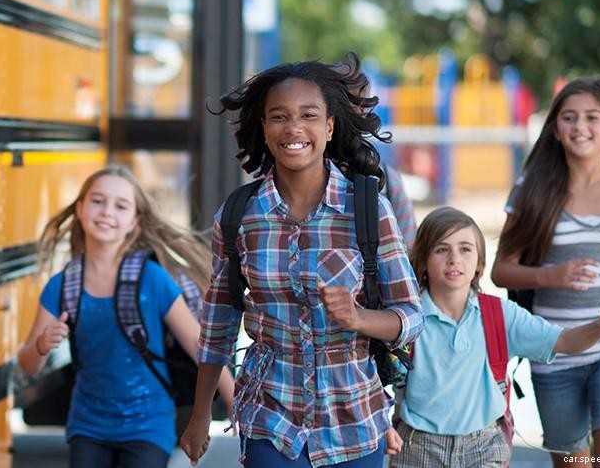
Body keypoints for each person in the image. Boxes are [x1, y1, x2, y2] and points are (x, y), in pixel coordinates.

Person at [181, 56, 424, 468]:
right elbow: (218, 322)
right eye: (279, 116)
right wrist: (200, 413)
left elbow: (412, 316)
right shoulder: (240, 213)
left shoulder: (367, 208)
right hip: (269, 418)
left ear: (329, 127)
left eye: (308, 115)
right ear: (263, 126)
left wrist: (360, 318)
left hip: (354, 422)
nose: (294, 128)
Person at [491, 76, 600, 468]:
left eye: (592, 117)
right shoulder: (532, 190)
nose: (580, 127)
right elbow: (500, 270)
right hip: (554, 349)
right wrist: (549, 275)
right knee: (571, 463)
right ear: (555, 130)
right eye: (569, 118)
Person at [16, 166, 236, 468]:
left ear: (134, 222)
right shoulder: (62, 285)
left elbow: (201, 347)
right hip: (88, 426)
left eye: (120, 206)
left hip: (148, 426)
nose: (107, 211)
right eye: (97, 201)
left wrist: (235, 401)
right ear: (80, 209)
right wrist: (41, 345)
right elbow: (28, 364)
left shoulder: (152, 279)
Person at [390, 207, 600, 468]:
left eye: (465, 249)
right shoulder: (408, 318)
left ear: (479, 264)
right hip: (417, 446)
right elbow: (376, 377)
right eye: (442, 249)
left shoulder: (500, 315)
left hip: (483, 447)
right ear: (423, 261)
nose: (454, 259)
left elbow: (564, 341)